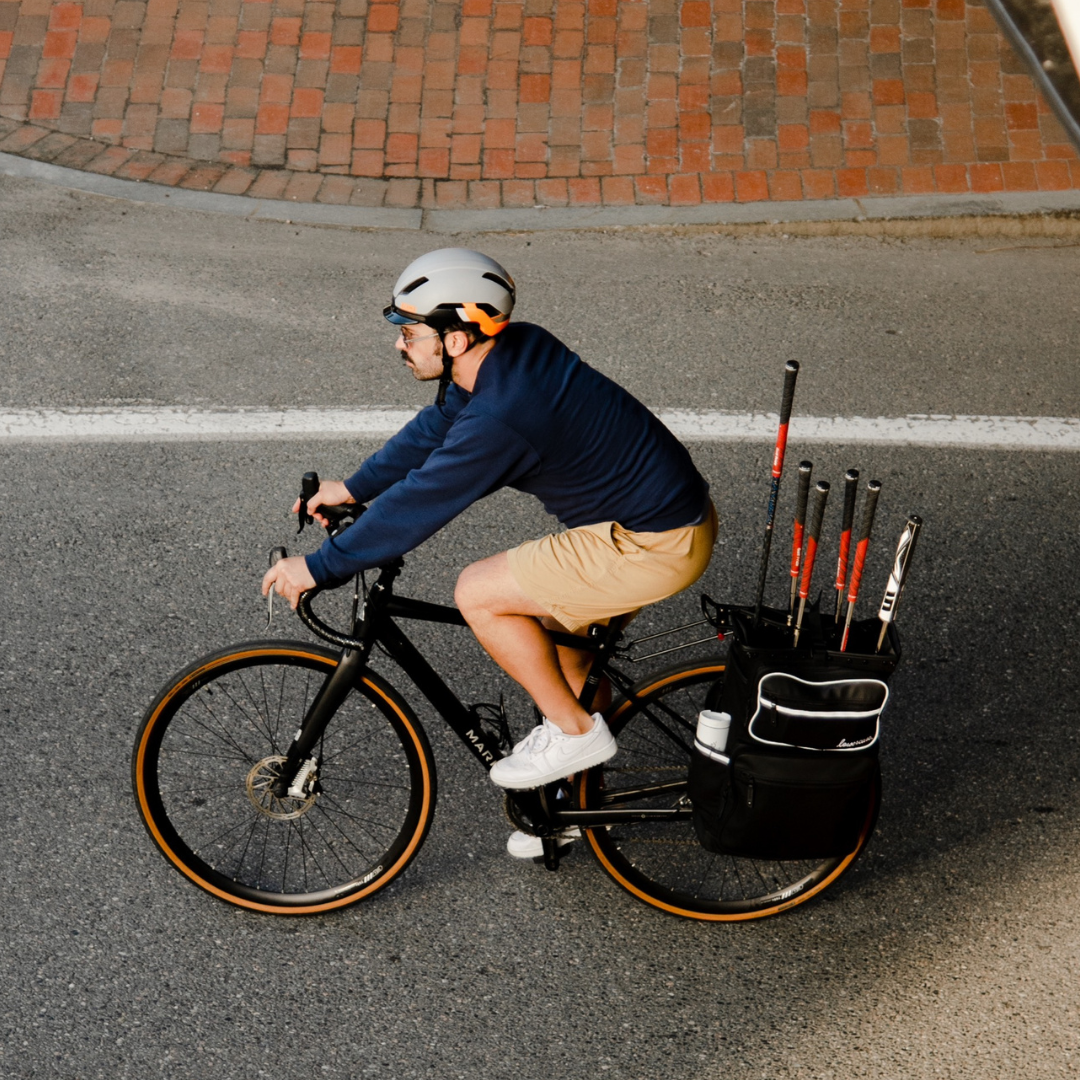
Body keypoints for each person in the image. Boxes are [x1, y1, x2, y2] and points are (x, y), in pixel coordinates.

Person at [262, 248, 717, 859]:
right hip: (669, 520)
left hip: (650, 544)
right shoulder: (513, 349)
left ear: (455, 338)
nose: (399, 344)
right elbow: (437, 429)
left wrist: (319, 566)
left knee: (479, 592)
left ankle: (574, 734)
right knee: (566, 660)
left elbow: (425, 499)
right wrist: (352, 488)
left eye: (410, 332)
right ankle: (572, 806)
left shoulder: (505, 414)